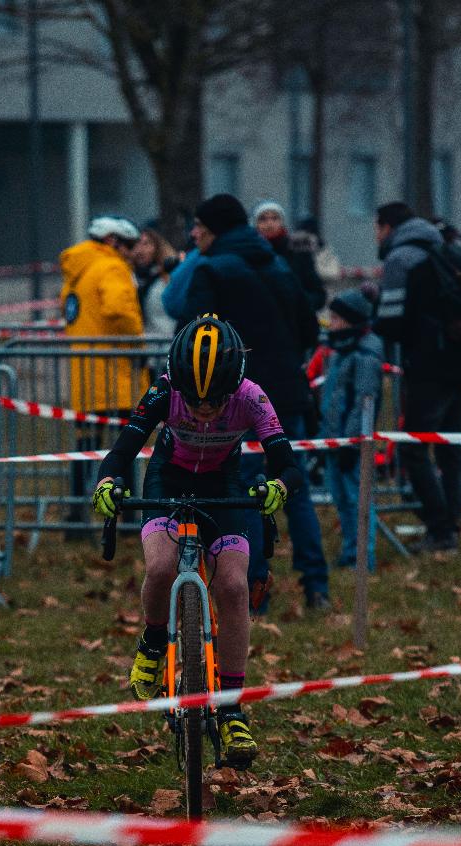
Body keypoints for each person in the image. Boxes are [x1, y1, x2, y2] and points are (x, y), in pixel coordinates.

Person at [91, 316, 302, 766]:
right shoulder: (163, 391)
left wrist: (279, 487)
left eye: (216, 401)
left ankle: (231, 710)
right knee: (160, 567)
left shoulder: (252, 397)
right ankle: (153, 642)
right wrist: (108, 482)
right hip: (168, 477)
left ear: (234, 388)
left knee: (234, 587)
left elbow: (287, 462)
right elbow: (123, 450)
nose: (204, 410)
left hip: (223, 483)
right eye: (194, 400)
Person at [180, 193, 330, 612]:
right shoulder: (279, 266)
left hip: (237, 399)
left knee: (243, 493)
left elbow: (192, 338)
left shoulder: (211, 270)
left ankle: (250, 592)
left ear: (214, 229)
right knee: (293, 488)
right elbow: (308, 330)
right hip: (289, 393)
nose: (193, 233)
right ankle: (316, 586)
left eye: (198, 225)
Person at [374, 202, 461, 552]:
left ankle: (439, 528)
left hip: (428, 366)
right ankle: (450, 525)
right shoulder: (444, 248)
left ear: (387, 226)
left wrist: (374, 305)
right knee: (451, 447)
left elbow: (390, 322)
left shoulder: (400, 258)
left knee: (413, 449)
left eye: (377, 228)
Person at [60, 216, 145, 521]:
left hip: (85, 373)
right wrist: (138, 341)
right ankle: (128, 514)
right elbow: (118, 310)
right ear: (112, 241)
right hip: (114, 373)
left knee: (85, 446)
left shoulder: (78, 271)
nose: (133, 252)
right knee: (125, 446)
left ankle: (75, 513)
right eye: (130, 245)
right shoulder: (111, 267)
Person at [321, 290, 384, 570]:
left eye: (336, 318)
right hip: (335, 439)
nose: (331, 323)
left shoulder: (365, 355)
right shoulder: (341, 351)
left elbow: (363, 401)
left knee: (357, 500)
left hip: (352, 442)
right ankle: (349, 552)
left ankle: (363, 557)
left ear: (350, 320)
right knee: (342, 499)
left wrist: (352, 441)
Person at [252, 201, 326, 311]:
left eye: (275, 218)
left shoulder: (298, 252)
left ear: (282, 222)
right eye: (263, 219)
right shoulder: (250, 252)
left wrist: (298, 304)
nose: (269, 224)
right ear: (255, 224)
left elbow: (318, 294)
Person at [133, 226, 177, 371]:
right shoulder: (134, 278)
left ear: (157, 247)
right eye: (137, 244)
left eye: (146, 244)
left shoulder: (167, 277)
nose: (140, 249)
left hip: (166, 352)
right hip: (148, 354)